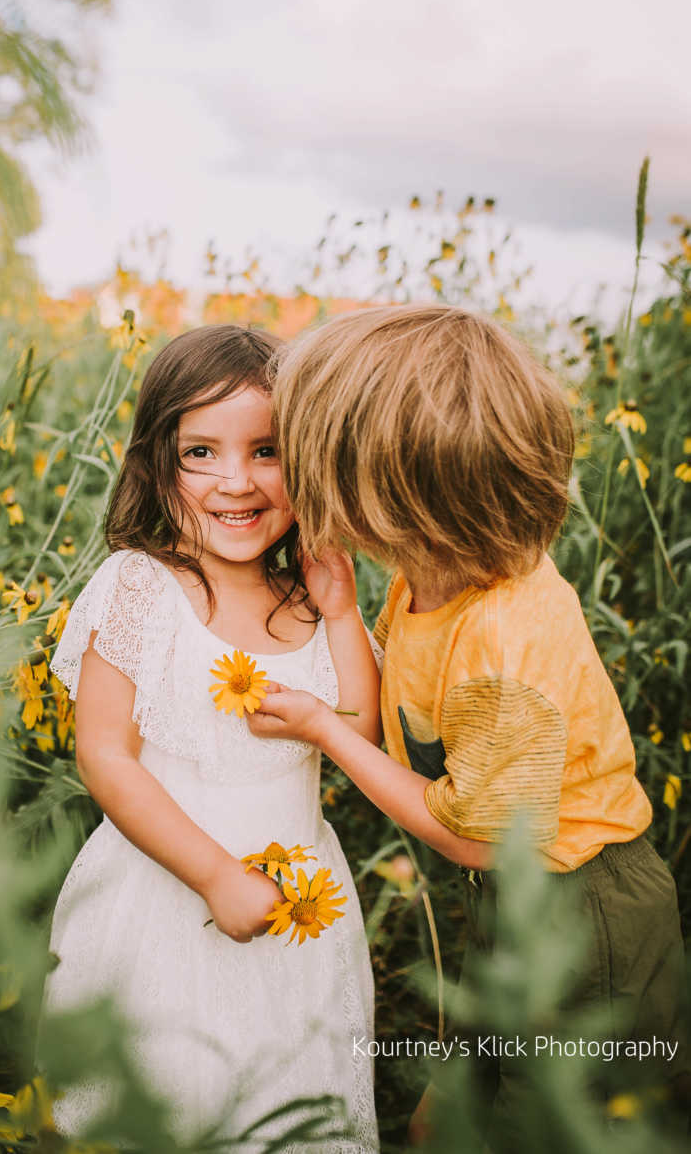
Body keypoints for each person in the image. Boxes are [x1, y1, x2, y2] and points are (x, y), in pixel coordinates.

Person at [249, 303, 689, 1140]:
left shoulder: (503, 637)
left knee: (555, 1126)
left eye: (304, 455)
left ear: (391, 489)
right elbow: (388, 717)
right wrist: (343, 613)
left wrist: (324, 733)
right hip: (515, 899)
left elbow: (475, 837)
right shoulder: (430, 575)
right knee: (445, 1122)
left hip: (586, 915)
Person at [42, 324, 381, 1151]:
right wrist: (214, 875)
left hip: (301, 909)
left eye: (267, 451)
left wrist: (341, 613)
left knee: (289, 1095)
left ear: (305, 461)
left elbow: (360, 735)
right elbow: (105, 753)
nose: (238, 481)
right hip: (160, 902)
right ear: (158, 465)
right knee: (167, 1095)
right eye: (202, 452)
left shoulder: (308, 599)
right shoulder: (141, 586)